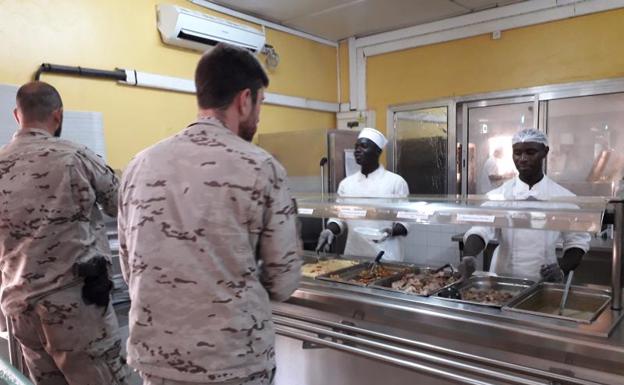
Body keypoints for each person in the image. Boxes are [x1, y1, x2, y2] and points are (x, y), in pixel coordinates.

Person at [118, 43, 301, 385]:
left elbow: (130, 269)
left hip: (158, 362)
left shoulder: (138, 165)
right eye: (260, 104)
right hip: (233, 362)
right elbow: (283, 280)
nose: (259, 116)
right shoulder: (261, 166)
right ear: (244, 100)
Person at [0, 81, 130, 385]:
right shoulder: (75, 157)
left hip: (20, 310)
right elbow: (120, 204)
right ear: (57, 116)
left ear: (17, 115)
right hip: (75, 310)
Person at [459, 128, 591, 281]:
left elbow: (577, 240)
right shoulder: (499, 196)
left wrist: (562, 268)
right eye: (517, 153)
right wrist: (469, 256)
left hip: (544, 279)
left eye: (530, 152)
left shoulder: (563, 198)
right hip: (503, 278)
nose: (522, 158)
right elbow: (480, 228)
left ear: (545, 152)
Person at [316, 128, 409, 261]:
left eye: (364, 146)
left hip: (386, 255)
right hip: (354, 254)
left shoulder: (396, 182)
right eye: (356, 147)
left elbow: (405, 220)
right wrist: (329, 230)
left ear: (378, 151)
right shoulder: (346, 184)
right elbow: (338, 218)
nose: (357, 150)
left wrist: (393, 231)